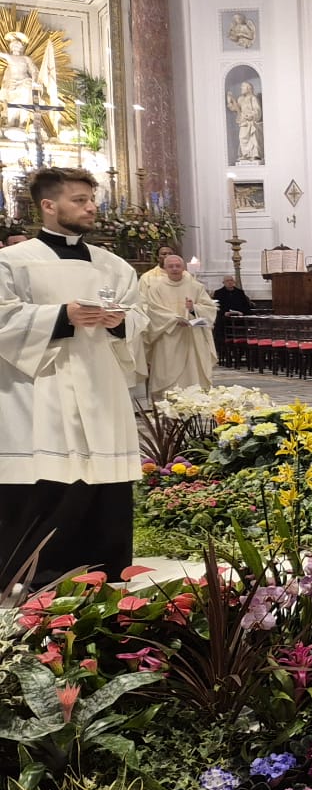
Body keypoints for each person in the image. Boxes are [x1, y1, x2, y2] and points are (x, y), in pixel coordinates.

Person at [0, 169, 144, 584]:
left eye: (91, 199)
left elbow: (139, 317)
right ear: (48, 205)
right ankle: (35, 576)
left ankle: (105, 570)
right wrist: (63, 316)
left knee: (104, 480)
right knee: (47, 479)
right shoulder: (13, 262)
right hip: (39, 386)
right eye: (79, 200)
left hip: (100, 384)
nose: (91, 207)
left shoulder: (113, 265)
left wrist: (120, 322)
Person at [139, 252, 219, 397]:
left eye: (178, 266)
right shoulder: (155, 287)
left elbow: (210, 308)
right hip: (167, 336)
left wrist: (194, 308)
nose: (174, 269)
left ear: (183, 267)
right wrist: (174, 319)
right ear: (165, 268)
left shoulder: (195, 286)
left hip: (192, 336)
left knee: (192, 370)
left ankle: (194, 399)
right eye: (171, 266)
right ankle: (167, 400)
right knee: (167, 371)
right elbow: (154, 310)